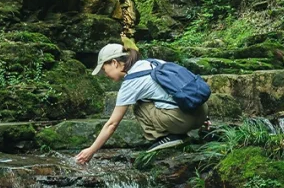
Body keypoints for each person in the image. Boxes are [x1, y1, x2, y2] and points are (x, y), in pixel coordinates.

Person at [74, 43, 209, 165]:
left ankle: (166, 138)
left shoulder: (131, 82)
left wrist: (91, 150)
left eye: (104, 69)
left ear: (114, 62)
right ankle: (183, 127)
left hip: (181, 120)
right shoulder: (154, 62)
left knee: (139, 105)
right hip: (202, 111)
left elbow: (112, 124)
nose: (105, 74)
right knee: (150, 98)